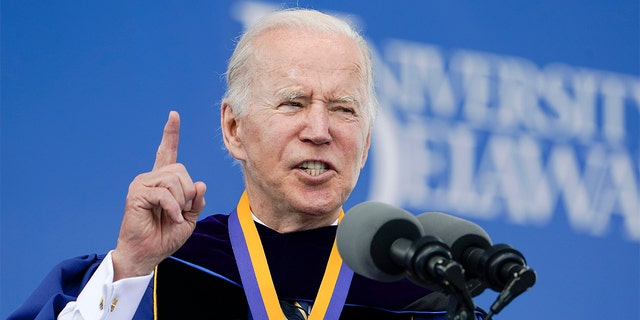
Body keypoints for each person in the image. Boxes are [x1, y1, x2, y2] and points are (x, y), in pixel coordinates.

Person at [9, 8, 485, 319]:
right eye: (294, 103)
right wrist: (132, 265)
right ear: (234, 129)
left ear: (365, 142)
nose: (320, 130)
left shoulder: (422, 296)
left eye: (344, 109)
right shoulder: (165, 269)